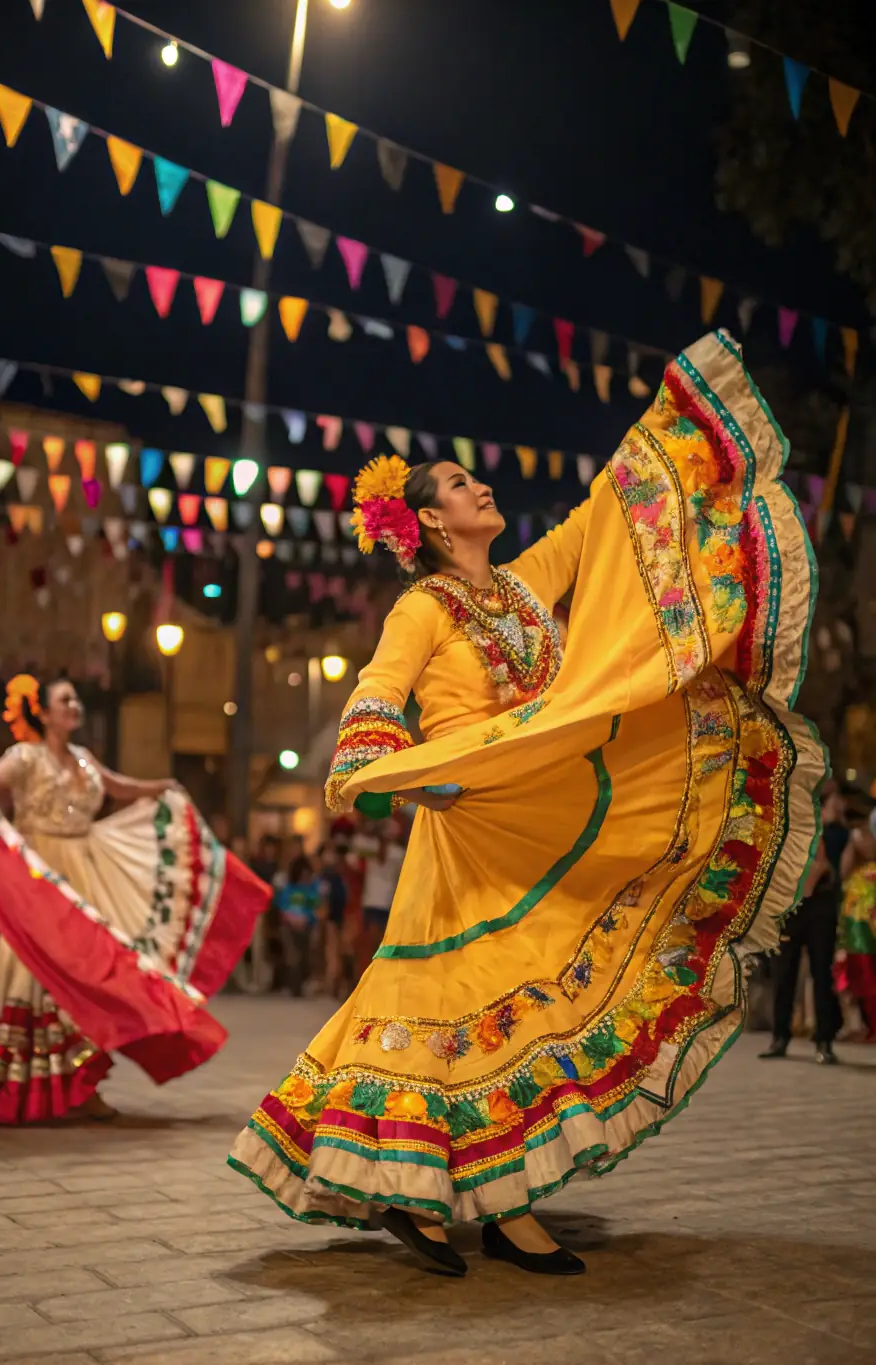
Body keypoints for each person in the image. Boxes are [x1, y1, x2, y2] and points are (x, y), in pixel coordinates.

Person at [229, 332, 824, 1279]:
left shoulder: (518, 587)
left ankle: (501, 1203)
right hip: (464, 827)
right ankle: (426, 1194)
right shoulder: (422, 607)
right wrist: (412, 778)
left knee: (526, 1014)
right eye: (462, 485)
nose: (482, 490)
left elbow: (600, 521)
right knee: (443, 1011)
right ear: (427, 521)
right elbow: (374, 704)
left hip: (540, 814)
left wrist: (669, 422)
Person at [0, 674, 269, 1122]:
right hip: (34, 879)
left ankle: (84, 1085)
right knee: (31, 974)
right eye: (65, 700)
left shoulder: (85, 761)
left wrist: (161, 786)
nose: (75, 706)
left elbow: (117, 787)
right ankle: (9, 1088)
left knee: (90, 971)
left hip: (84, 878)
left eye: (76, 700)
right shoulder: (25, 757)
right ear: (44, 713)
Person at [759, 780, 848, 1065]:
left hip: (818, 906)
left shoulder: (828, 829)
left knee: (822, 973)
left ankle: (824, 1041)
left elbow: (822, 866)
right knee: (783, 975)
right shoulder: (779, 828)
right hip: (789, 911)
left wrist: (802, 890)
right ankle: (779, 1038)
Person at [834, 805, 876, 1041]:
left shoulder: (860, 877)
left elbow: (842, 869)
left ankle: (864, 1025)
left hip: (859, 921)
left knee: (861, 970)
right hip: (859, 919)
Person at [275, 854, 323, 997]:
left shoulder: (313, 889)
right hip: (290, 927)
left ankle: (301, 983)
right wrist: (293, 920)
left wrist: (310, 921)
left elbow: (317, 909)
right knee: (293, 957)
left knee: (306, 956)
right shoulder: (289, 889)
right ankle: (292, 986)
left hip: (308, 926)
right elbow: (282, 908)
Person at [357, 821, 406, 962]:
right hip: (377, 903)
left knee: (379, 946)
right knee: (376, 945)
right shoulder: (398, 852)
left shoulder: (396, 853)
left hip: (384, 903)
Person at [318, 840, 352, 997]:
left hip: (346, 917)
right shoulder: (327, 876)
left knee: (344, 951)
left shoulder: (346, 875)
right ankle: (331, 986)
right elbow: (324, 898)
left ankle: (341, 984)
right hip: (332, 918)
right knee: (331, 953)